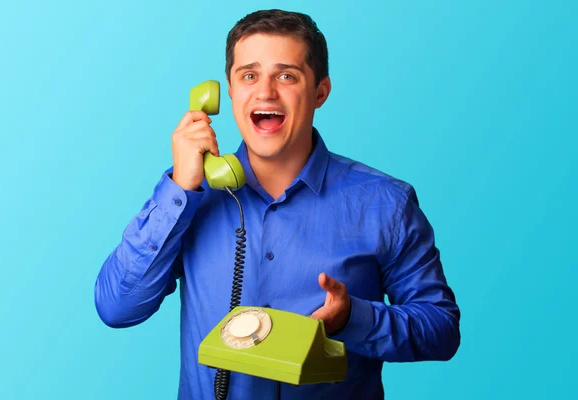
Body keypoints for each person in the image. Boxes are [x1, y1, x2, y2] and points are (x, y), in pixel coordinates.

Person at [94, 9, 461, 400]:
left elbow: (441, 330)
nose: (265, 92)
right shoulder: (187, 198)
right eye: (249, 75)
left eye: (287, 76)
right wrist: (181, 187)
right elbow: (117, 308)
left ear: (320, 91)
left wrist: (354, 318)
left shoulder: (386, 203)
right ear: (229, 92)